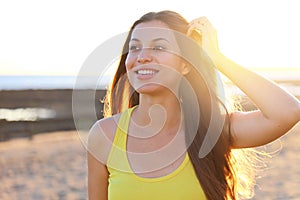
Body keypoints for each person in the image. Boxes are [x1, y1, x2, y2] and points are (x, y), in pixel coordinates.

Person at [87, 10, 300, 200]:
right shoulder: (104, 135)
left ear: (185, 65)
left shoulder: (212, 130)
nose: (142, 57)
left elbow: (287, 112)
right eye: (134, 48)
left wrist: (217, 58)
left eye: (159, 47)